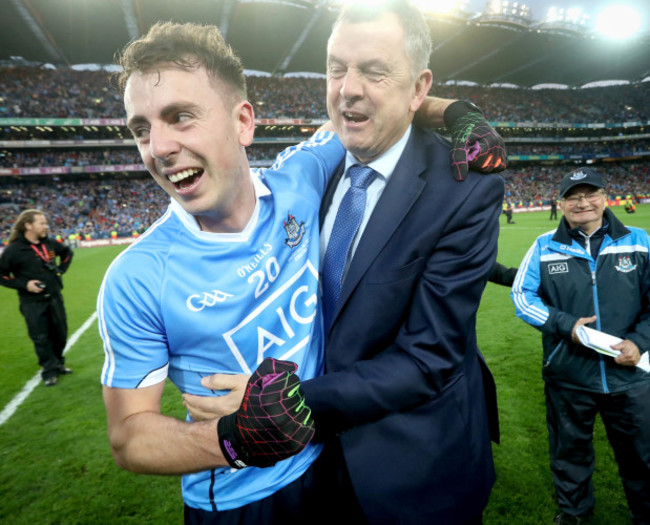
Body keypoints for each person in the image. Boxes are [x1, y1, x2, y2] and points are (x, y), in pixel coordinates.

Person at [99, 19, 506, 524]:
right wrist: (234, 438)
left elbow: (370, 107)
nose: (157, 147)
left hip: (330, 466)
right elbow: (129, 437)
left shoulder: (299, 177)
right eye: (141, 129)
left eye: (181, 117)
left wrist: (458, 111)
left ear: (244, 122)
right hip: (241, 500)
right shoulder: (135, 277)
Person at [511, 167, 650, 525]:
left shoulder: (639, 240)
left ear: (605, 197)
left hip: (630, 376)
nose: (582, 202)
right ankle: (574, 517)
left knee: (642, 457)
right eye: (573, 196)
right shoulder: (544, 245)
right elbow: (522, 297)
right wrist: (565, 325)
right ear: (562, 203)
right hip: (569, 376)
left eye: (590, 194)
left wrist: (639, 341)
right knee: (569, 456)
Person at [0, 209, 73, 386]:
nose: (45, 226)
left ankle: (58, 363)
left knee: (60, 334)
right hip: (32, 302)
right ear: (28, 225)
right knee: (41, 338)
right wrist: (25, 285)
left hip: (55, 297)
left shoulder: (49, 243)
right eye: (41, 223)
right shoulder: (14, 250)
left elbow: (67, 253)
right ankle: (49, 371)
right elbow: (1, 275)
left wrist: (61, 270)